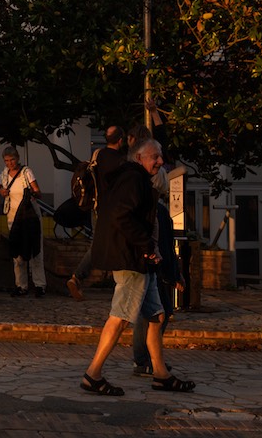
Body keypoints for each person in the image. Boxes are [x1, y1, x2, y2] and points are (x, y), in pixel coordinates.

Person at [79, 137, 195, 396]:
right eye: (155, 157)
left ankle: (161, 374)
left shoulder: (130, 178)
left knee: (157, 316)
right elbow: (121, 216)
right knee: (120, 318)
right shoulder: (134, 179)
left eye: (161, 156)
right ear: (139, 157)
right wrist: (146, 247)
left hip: (140, 260)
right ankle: (93, 374)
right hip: (132, 260)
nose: (160, 161)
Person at [131, 167, 182, 377]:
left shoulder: (149, 207)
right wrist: (172, 274)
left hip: (149, 266)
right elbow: (164, 244)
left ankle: (148, 360)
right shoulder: (157, 209)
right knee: (156, 316)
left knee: (152, 315)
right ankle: (146, 359)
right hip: (155, 267)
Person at [68, 124, 127, 300]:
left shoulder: (98, 155)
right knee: (106, 245)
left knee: (100, 244)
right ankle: (78, 277)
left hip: (97, 208)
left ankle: (78, 279)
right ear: (121, 140)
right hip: (114, 211)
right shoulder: (122, 161)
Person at [0, 145, 44, 297]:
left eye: (12, 160)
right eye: (7, 161)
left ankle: (39, 284)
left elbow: (38, 191)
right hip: (13, 216)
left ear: (18, 159)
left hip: (30, 215)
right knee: (17, 251)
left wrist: (33, 194)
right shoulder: (4, 174)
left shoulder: (26, 172)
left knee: (35, 249)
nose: (10, 163)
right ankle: (21, 285)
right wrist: (0, 191)